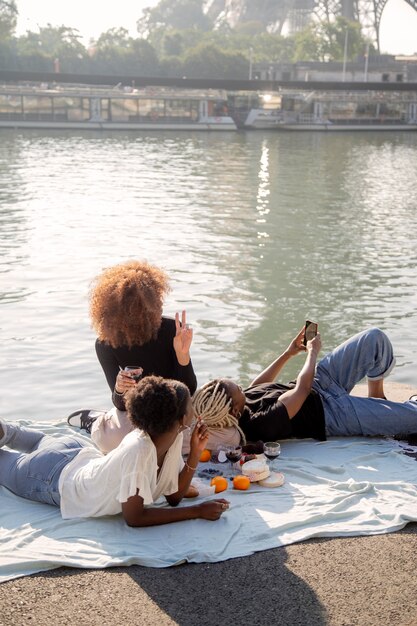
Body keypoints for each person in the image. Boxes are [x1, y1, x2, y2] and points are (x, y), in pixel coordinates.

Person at [0, 376, 229, 525]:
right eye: (191, 405)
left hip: (76, 452)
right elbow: (135, 517)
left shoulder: (175, 435)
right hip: (52, 478)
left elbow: (174, 496)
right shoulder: (139, 450)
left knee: (17, 436)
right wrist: (197, 511)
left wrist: (197, 452)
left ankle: (6, 431)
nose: (194, 409)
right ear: (181, 419)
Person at [192, 327, 417, 444]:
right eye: (237, 389)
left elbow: (258, 386)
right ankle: (390, 415)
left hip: (322, 382)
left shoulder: (242, 402)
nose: (242, 388)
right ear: (233, 410)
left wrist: (288, 353)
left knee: (373, 339)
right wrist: (312, 352)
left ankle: (376, 399)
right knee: (413, 418)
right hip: (331, 413)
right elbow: (302, 390)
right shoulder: (260, 425)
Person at [69, 260, 197, 453]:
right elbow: (120, 405)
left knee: (192, 439)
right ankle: (95, 421)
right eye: (135, 311)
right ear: (114, 312)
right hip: (139, 413)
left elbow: (190, 389)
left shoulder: (172, 330)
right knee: (113, 443)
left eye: (148, 307)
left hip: (175, 408)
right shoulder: (106, 344)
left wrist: (182, 355)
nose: (146, 314)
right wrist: (120, 389)